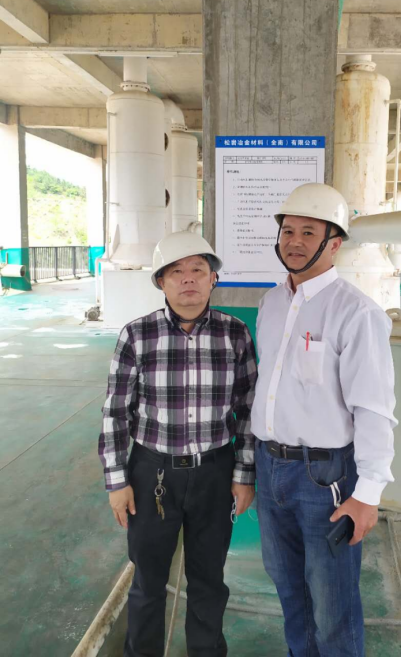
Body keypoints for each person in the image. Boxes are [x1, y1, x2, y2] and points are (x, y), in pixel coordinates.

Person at [252, 183, 397, 657]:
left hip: (325, 477)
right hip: (270, 467)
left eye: (308, 232)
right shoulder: (271, 304)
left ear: (334, 244)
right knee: (289, 590)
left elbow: (373, 407)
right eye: (288, 231)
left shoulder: (357, 313)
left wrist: (368, 494)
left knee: (333, 603)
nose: (294, 241)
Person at [98, 231, 257, 657]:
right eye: (176, 272)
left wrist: (244, 475)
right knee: (148, 580)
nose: (188, 279)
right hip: (152, 473)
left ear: (213, 279)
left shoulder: (235, 334)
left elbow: (249, 409)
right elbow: (115, 413)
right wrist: (117, 482)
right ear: (161, 282)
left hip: (215, 474)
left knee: (208, 579)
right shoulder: (137, 335)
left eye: (198, 270)